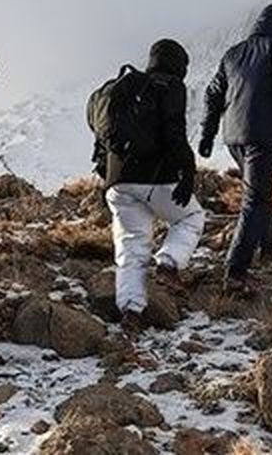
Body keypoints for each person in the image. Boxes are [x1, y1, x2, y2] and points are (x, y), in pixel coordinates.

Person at [199, 4, 272, 292]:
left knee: (259, 192)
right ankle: (235, 271)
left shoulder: (233, 53)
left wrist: (207, 134)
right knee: (254, 199)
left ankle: (267, 248)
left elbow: (213, 94)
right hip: (262, 136)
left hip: (233, 137)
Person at [94, 39, 205, 333]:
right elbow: (174, 133)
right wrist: (187, 172)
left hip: (117, 182)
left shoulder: (125, 88)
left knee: (131, 248)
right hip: (155, 176)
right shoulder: (169, 87)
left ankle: (132, 313)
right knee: (191, 217)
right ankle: (168, 264)